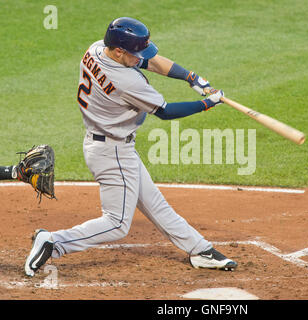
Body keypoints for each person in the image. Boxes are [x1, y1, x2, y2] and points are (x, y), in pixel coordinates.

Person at [24, 17, 237, 277]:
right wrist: (208, 103)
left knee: (155, 204)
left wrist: (190, 77)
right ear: (119, 51)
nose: (140, 59)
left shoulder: (96, 49)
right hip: (112, 152)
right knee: (116, 224)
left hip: (106, 143)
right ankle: (53, 242)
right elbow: (166, 112)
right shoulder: (127, 81)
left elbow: (150, 60)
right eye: (135, 54)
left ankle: (199, 249)